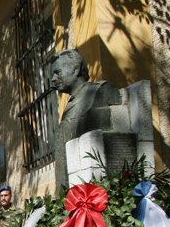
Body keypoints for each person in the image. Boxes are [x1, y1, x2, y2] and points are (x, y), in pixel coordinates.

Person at [50, 49, 121, 189]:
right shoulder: (70, 104)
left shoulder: (99, 91)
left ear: (75, 70)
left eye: (57, 73)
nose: (53, 79)